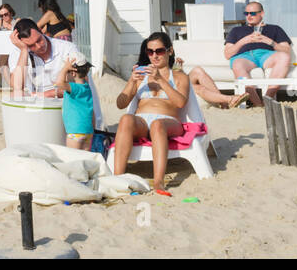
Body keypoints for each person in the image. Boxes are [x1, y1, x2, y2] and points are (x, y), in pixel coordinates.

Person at [112, 32, 190, 195]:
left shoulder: (178, 76)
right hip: (142, 122)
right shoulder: (141, 76)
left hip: (168, 121)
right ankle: (117, 178)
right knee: (126, 118)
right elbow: (120, 104)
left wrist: (161, 80)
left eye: (159, 51)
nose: (154, 56)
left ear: (170, 51)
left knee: (157, 124)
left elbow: (181, 103)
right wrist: (132, 81)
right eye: (150, 52)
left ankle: (159, 182)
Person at [224, 1, 291, 107]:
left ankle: (267, 99)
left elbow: (286, 50)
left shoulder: (274, 28)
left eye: (253, 13)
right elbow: (227, 54)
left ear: (262, 13)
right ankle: (258, 104)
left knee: (284, 57)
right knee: (237, 64)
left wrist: (269, 41)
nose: (249, 16)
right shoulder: (236, 30)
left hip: (267, 55)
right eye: (246, 13)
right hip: (245, 57)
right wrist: (244, 41)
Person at [7, 18, 78, 96]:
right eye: (31, 45)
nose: (38, 46)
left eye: (39, 40)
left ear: (41, 31)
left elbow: (77, 86)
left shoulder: (67, 48)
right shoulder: (19, 51)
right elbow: (17, 87)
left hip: (65, 102)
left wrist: (44, 94)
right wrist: (24, 51)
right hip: (36, 102)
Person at [173, 57, 248, 109]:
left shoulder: (167, 57)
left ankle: (224, 104)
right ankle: (229, 99)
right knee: (198, 88)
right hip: (170, 86)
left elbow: (178, 77)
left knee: (197, 70)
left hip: (176, 80)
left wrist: (178, 69)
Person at [56, 52, 95, 150]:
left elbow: (59, 83)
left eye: (66, 72)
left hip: (75, 131)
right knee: (85, 159)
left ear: (72, 73)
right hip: (88, 131)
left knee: (73, 158)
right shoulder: (87, 87)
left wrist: (64, 69)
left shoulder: (74, 88)